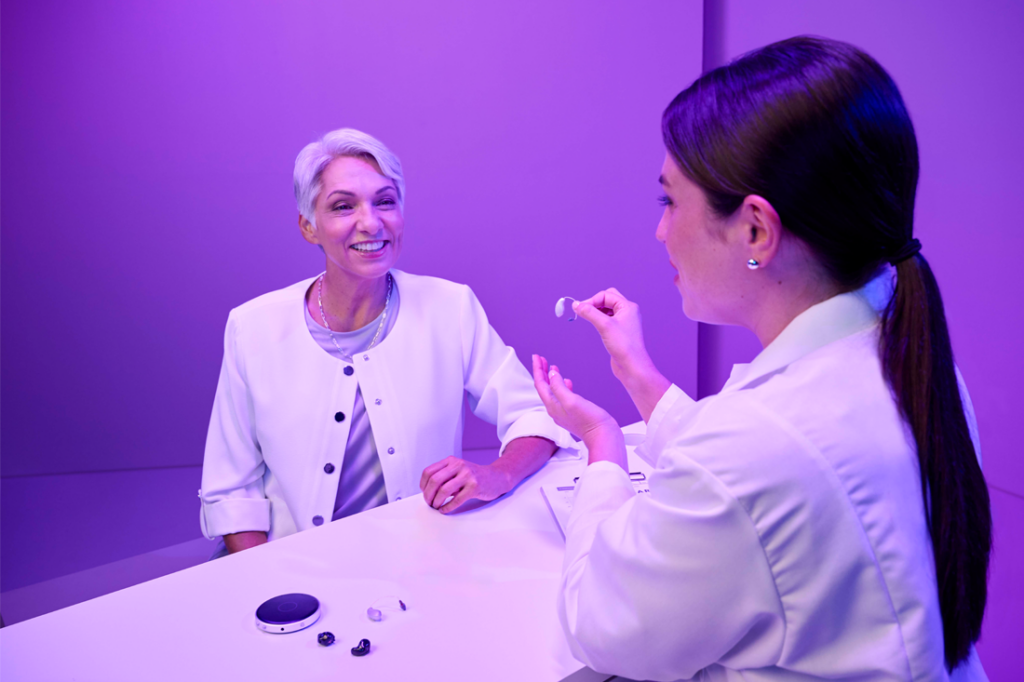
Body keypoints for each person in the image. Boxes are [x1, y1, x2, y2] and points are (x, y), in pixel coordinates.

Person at [532, 37, 991, 681]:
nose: (660, 231)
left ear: (755, 231)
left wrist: (602, 448)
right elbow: (776, 486)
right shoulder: (909, 359)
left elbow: (602, 627)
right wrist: (637, 373)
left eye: (669, 201)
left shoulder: (756, 446)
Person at [200, 128, 573, 554]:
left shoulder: (451, 307)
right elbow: (233, 490)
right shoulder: (253, 327)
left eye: (385, 201)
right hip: (289, 570)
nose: (371, 222)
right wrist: (270, 585)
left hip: (419, 562)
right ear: (309, 227)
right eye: (343, 206)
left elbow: (533, 415)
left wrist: (499, 474)